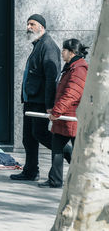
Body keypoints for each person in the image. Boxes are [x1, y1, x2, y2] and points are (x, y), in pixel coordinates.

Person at [10, 14, 72, 181]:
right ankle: (30, 171)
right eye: (28, 24)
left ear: (42, 27)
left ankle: (71, 155)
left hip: (39, 101)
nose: (29, 27)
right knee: (28, 138)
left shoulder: (48, 46)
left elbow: (52, 78)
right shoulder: (38, 44)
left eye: (33, 24)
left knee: (40, 134)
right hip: (31, 100)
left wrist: (49, 104)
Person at [38, 39, 88, 188]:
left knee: (77, 153)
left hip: (72, 118)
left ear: (72, 52)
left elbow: (71, 94)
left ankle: (83, 180)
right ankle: (55, 180)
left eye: (64, 50)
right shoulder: (70, 67)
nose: (62, 52)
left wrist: (56, 111)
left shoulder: (79, 69)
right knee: (57, 148)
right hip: (64, 118)